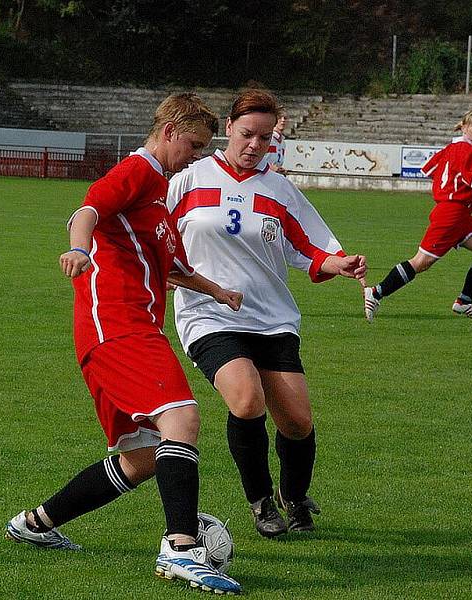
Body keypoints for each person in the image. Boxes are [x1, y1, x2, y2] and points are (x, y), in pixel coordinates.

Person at [4, 93, 243, 596]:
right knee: (182, 418)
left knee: (142, 458)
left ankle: (35, 523)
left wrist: (217, 291)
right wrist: (77, 249)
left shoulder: (158, 192)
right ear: (171, 131)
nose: (197, 156)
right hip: (117, 324)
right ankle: (181, 549)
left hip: (126, 329)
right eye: (195, 146)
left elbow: (170, 266)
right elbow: (86, 210)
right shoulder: (138, 170)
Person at [166, 89, 367, 539]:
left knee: (296, 421)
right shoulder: (190, 179)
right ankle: (260, 501)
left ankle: (294, 496)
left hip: (272, 318)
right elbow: (153, 231)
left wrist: (342, 263)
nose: (254, 144)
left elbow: (311, 247)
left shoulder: (279, 189)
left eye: (264, 137)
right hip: (208, 315)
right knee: (246, 398)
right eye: (246, 133)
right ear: (228, 129)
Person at [364, 109, 472, 323]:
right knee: (421, 262)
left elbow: (428, 169)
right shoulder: (471, 151)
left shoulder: (452, 147)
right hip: (451, 213)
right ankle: (376, 292)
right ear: (465, 127)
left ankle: (464, 302)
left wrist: (449, 183)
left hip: (461, 214)